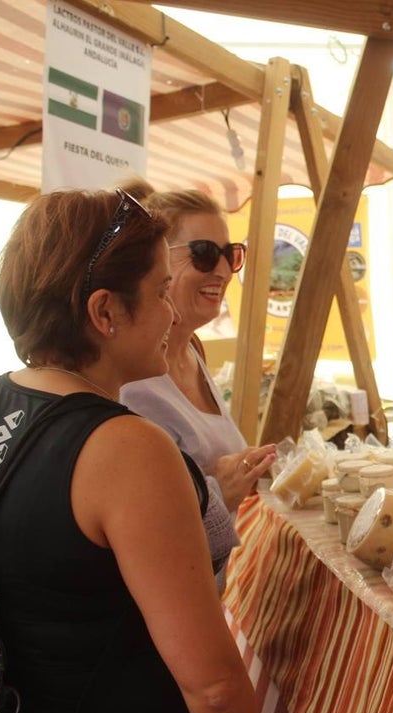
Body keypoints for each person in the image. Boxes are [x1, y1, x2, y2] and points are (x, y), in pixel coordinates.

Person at [0, 188, 261, 713]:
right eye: (162, 292)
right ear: (105, 312)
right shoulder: (131, 448)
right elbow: (213, 689)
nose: (171, 313)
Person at [119, 180, 275, 592]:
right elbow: (140, 537)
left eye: (231, 255)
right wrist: (218, 491)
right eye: (205, 254)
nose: (223, 271)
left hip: (211, 592)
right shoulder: (130, 379)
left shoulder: (194, 351)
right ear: (157, 262)